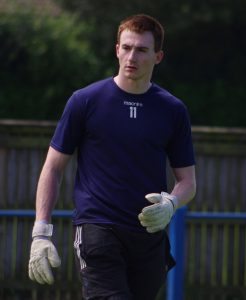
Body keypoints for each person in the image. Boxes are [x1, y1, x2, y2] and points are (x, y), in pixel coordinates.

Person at [28, 14, 196, 300]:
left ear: (158, 56)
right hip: (98, 228)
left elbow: (188, 182)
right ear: (117, 49)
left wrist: (171, 203)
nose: (132, 56)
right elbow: (53, 168)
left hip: (149, 235)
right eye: (126, 47)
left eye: (142, 50)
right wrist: (41, 232)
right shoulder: (84, 101)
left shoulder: (173, 110)